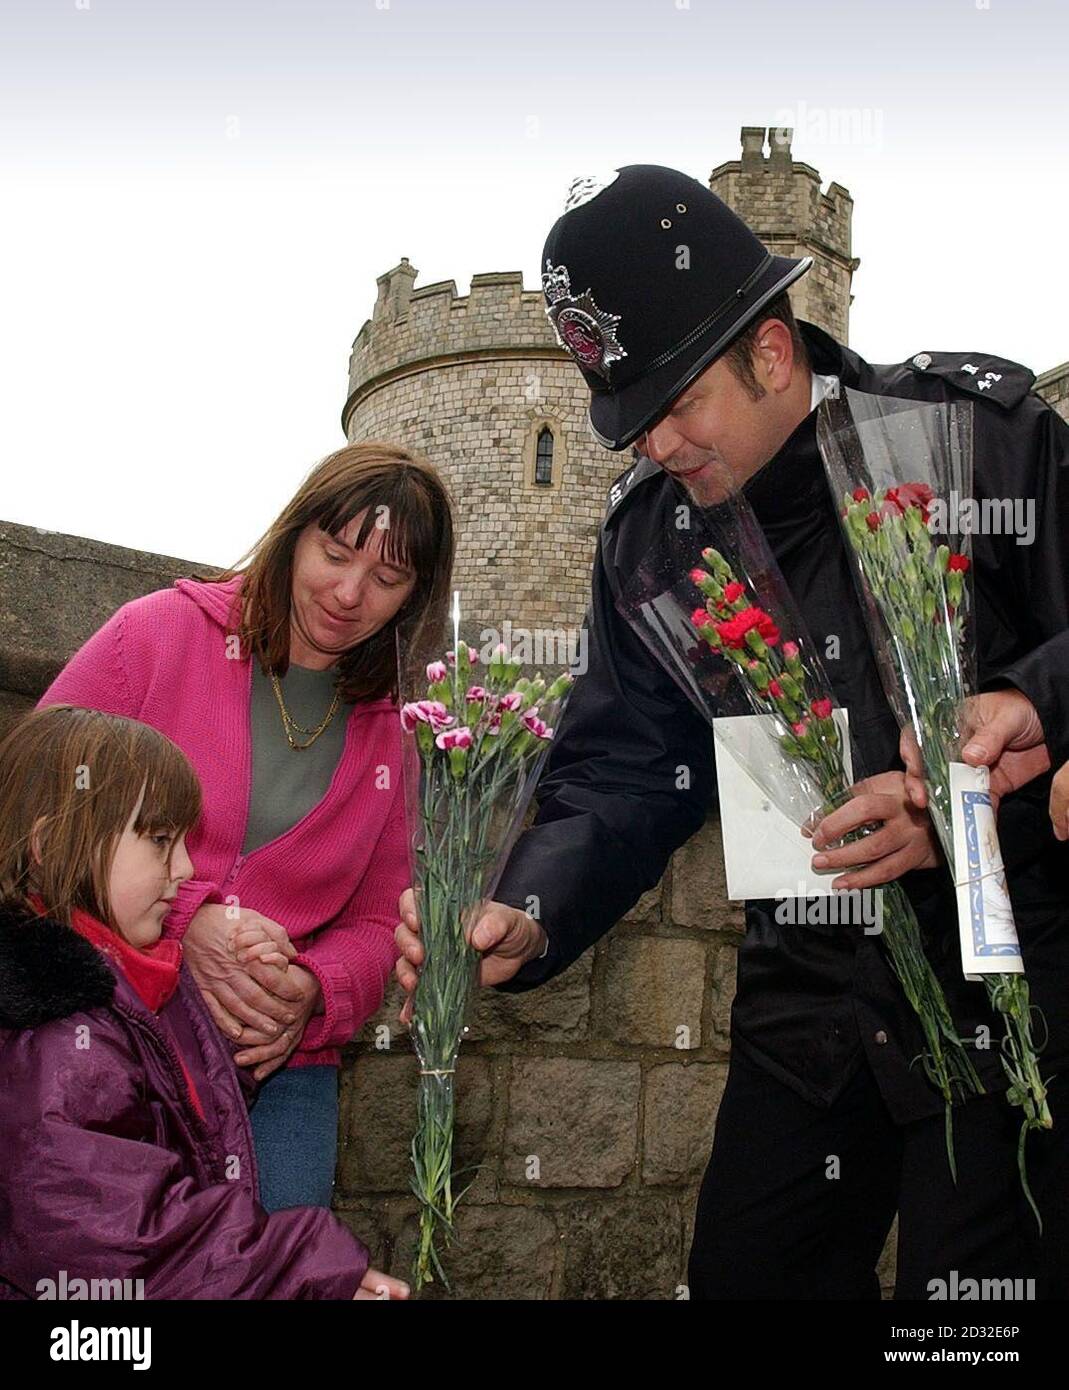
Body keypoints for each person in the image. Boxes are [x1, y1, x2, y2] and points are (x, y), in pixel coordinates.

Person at [396, 166, 1069, 1298]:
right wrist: (529, 902)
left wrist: (1001, 748)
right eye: (629, 420)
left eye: (672, 405)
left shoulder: (977, 439)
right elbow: (619, 772)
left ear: (768, 352)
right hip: (804, 1024)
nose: (654, 446)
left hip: (1012, 1006)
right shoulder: (644, 549)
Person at [38, 441, 454, 1210]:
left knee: (283, 1276)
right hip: (107, 1032)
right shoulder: (155, 635)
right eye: (334, 553)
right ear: (294, 534)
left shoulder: (397, 733)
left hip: (284, 1070)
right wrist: (183, 921)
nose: (349, 592)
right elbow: (41, 802)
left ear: (413, 597)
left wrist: (311, 989)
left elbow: (380, 921)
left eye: (387, 578)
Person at [0, 704, 408, 1299]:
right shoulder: (52, 1029)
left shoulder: (138, 978)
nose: (187, 868)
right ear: (50, 845)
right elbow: (121, 1240)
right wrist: (295, 1274)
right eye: (161, 841)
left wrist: (254, 1008)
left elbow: (181, 1102)